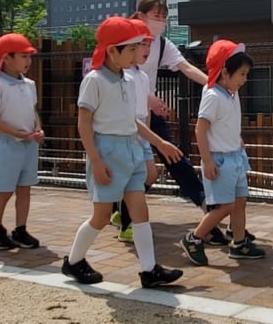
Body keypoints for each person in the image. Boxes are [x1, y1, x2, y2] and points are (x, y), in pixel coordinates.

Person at [61, 16, 184, 287]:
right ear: (111, 50)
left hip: (131, 149)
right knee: (102, 216)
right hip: (107, 151)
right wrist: (95, 159)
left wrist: (159, 142)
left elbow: (133, 120)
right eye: (130, 48)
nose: (135, 54)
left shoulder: (128, 80)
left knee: (140, 211)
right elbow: (84, 122)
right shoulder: (94, 80)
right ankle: (73, 261)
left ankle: (149, 270)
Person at [130, 0, 231, 245]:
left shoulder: (162, 44)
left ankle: (205, 207)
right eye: (156, 16)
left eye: (164, 18)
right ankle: (121, 214)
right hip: (123, 117)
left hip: (148, 114)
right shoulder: (125, 40)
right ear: (140, 16)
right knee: (136, 172)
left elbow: (185, 67)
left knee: (174, 157)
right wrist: (148, 97)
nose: (161, 22)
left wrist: (212, 83)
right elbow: (120, 76)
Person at [180, 39, 263, 265]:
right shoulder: (213, 95)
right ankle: (194, 238)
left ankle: (238, 243)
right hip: (220, 160)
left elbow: (228, 124)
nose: (244, 80)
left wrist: (239, 141)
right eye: (242, 74)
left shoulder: (231, 94)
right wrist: (207, 161)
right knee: (225, 205)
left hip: (235, 156)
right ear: (225, 73)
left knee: (240, 201)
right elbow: (201, 128)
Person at [0, 33, 44, 251]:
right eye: (23, 56)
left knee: (25, 187)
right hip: (6, 143)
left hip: (28, 143)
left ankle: (20, 228)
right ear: (6, 58)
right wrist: (16, 132)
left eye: (29, 57)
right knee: (2, 189)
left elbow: (32, 111)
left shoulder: (30, 84)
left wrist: (37, 129)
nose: (27, 61)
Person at [109, 19, 164, 243]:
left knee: (150, 174)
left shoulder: (142, 76)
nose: (146, 49)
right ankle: (126, 223)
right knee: (134, 178)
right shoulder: (123, 76)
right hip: (129, 132)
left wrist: (149, 135)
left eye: (149, 45)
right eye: (141, 44)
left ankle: (120, 211)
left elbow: (145, 109)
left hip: (141, 133)